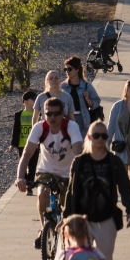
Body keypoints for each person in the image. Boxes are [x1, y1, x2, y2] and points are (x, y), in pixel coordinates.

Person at [64, 121, 130, 260]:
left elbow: (125, 187)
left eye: (104, 136)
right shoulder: (79, 162)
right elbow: (71, 192)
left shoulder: (114, 162)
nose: (100, 139)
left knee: (105, 259)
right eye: (96, 135)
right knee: (81, 258)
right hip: (82, 220)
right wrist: (66, 218)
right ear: (89, 137)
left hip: (106, 218)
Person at [16, 97, 84, 248]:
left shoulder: (71, 127)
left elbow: (79, 151)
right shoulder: (40, 128)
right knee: (42, 194)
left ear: (63, 114)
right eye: (48, 114)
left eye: (56, 114)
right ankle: (43, 227)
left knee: (70, 207)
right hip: (46, 170)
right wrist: (20, 177)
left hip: (68, 172)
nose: (52, 117)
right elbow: (27, 153)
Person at [60, 56, 101, 138]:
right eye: (66, 69)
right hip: (67, 119)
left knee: (82, 146)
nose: (67, 71)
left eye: (70, 69)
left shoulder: (86, 86)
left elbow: (96, 102)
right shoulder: (63, 87)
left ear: (77, 70)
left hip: (83, 119)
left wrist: (88, 99)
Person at [9, 90, 40, 194]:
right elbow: (16, 130)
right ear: (25, 101)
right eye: (33, 99)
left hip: (35, 145)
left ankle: (30, 186)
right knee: (23, 165)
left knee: (32, 166)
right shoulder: (19, 115)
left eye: (36, 99)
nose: (35, 101)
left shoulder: (38, 114)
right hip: (22, 145)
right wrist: (13, 144)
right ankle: (25, 181)